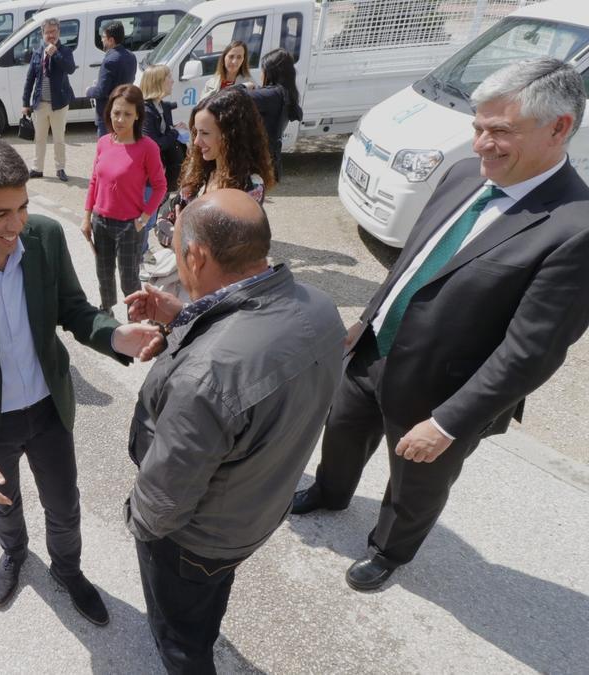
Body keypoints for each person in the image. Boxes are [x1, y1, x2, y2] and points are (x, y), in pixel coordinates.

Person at [292, 57, 589, 592]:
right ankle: (332, 493)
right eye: (477, 128)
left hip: (442, 393)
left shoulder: (575, 228)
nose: (480, 145)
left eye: (500, 132)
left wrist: (450, 422)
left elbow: (531, 352)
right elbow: (413, 261)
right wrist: (367, 318)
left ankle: (390, 550)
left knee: (417, 484)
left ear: (559, 127)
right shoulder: (460, 176)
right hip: (373, 352)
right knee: (340, 431)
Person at [0, 137, 161, 626]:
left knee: (64, 505)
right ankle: (15, 553)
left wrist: (115, 336)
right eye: (0, 214)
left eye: (22, 207)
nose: (17, 224)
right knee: (5, 504)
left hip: (48, 411)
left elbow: (74, 310)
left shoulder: (44, 238)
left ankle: (67, 570)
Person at [124, 190, 345, 672]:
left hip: (196, 538)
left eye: (173, 243)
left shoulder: (207, 377)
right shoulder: (321, 307)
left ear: (197, 256)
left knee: (182, 638)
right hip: (257, 507)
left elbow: (161, 505)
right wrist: (181, 316)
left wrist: (136, 523)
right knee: (208, 600)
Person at [82, 84, 166, 314]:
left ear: (138, 115)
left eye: (127, 114)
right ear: (109, 111)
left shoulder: (147, 147)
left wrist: (143, 219)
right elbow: (94, 182)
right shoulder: (103, 143)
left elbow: (160, 186)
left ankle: (135, 318)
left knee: (129, 281)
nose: (120, 119)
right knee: (104, 274)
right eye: (116, 112)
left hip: (130, 226)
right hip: (101, 222)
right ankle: (106, 310)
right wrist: (87, 217)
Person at [177, 87, 276, 207]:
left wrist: (180, 222)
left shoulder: (249, 187)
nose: (196, 141)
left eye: (205, 133)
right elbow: (172, 210)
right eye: (195, 132)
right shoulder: (199, 171)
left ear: (231, 136)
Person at [22, 18, 76, 182]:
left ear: (59, 32)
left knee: (59, 138)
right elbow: (30, 78)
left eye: (54, 31)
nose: (51, 35)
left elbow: (70, 69)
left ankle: (60, 168)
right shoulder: (37, 51)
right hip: (40, 103)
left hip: (58, 104)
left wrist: (55, 53)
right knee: (39, 138)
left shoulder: (65, 50)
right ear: (43, 34)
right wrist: (25, 103)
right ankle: (37, 169)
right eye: (48, 32)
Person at [240, 48, 303, 180]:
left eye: (263, 70)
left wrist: (244, 86)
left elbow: (232, 97)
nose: (261, 74)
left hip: (256, 163)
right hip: (269, 160)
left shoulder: (272, 94)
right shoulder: (286, 93)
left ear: (270, 72)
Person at [139, 64, 183, 252]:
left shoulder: (162, 106)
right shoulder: (146, 111)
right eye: (169, 77)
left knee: (152, 215)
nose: (172, 81)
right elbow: (154, 144)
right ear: (158, 82)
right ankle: (139, 255)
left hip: (163, 171)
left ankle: (143, 249)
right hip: (148, 175)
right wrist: (174, 133)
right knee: (146, 219)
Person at [86, 22, 136, 137]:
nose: (102, 40)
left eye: (103, 37)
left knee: (107, 150)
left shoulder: (110, 60)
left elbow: (101, 91)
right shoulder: (131, 56)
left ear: (111, 40)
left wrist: (89, 90)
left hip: (108, 114)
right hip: (125, 109)